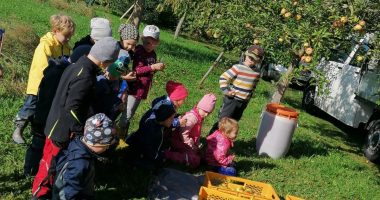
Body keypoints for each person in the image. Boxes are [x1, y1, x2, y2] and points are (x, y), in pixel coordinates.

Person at [31, 37, 120, 199]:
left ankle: (55, 188)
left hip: (60, 126)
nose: (107, 67)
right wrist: (81, 130)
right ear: (104, 61)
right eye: (108, 64)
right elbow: (73, 107)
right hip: (59, 131)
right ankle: (39, 194)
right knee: (49, 165)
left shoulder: (78, 65)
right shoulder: (85, 76)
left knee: (57, 164)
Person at [24, 46, 92, 176]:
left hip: (47, 114)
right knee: (38, 143)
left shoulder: (59, 69)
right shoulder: (58, 73)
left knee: (41, 143)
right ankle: (30, 169)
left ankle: (36, 169)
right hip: (45, 114)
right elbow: (49, 97)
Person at [12, 14, 75, 144]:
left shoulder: (66, 47)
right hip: (39, 83)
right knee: (30, 106)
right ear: (56, 31)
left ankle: (35, 130)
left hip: (52, 85)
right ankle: (18, 129)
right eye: (66, 35)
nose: (68, 39)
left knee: (43, 108)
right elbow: (42, 67)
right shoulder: (45, 45)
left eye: (70, 36)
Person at [52, 113, 115, 200]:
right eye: (106, 145)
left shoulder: (77, 142)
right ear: (96, 143)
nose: (107, 147)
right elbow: (71, 188)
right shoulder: (80, 163)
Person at [118, 25, 165, 136]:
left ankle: (122, 135)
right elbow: (137, 70)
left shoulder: (152, 54)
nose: (149, 46)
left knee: (130, 113)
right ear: (142, 40)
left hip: (142, 89)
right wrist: (153, 67)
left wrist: (155, 69)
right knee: (127, 114)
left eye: (152, 43)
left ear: (157, 42)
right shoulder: (139, 51)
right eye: (147, 42)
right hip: (134, 88)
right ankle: (118, 137)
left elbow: (148, 70)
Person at [209, 45, 264, 135]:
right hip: (232, 100)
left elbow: (253, 86)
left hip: (243, 103)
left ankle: (224, 142)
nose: (250, 60)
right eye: (249, 57)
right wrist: (226, 91)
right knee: (223, 121)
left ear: (258, 61)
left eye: (254, 59)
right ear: (246, 55)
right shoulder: (238, 67)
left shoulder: (257, 72)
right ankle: (211, 139)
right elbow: (223, 78)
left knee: (233, 123)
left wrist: (248, 98)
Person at [165, 93, 217, 168]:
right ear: (199, 107)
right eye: (205, 111)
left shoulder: (199, 116)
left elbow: (197, 133)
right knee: (195, 160)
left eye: (208, 113)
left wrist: (197, 144)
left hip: (188, 142)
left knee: (200, 155)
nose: (206, 115)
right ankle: (169, 155)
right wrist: (190, 146)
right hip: (180, 142)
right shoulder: (192, 118)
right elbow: (183, 133)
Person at [125, 98, 176, 171]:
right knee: (158, 167)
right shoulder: (154, 132)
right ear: (164, 118)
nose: (173, 120)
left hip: (137, 141)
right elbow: (151, 152)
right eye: (171, 118)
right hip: (140, 153)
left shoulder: (155, 118)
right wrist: (164, 156)